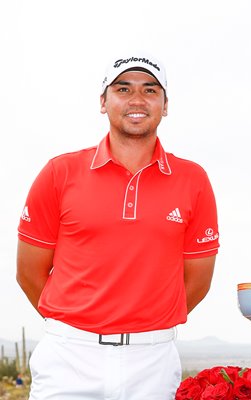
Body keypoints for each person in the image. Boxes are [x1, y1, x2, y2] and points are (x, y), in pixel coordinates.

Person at [16, 53, 219, 399]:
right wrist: (78, 323)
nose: (137, 100)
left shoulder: (193, 180)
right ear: (103, 101)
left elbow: (196, 281)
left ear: (165, 105)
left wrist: (145, 323)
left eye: (150, 90)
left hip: (152, 361)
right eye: (123, 89)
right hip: (68, 358)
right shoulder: (59, 173)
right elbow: (29, 273)